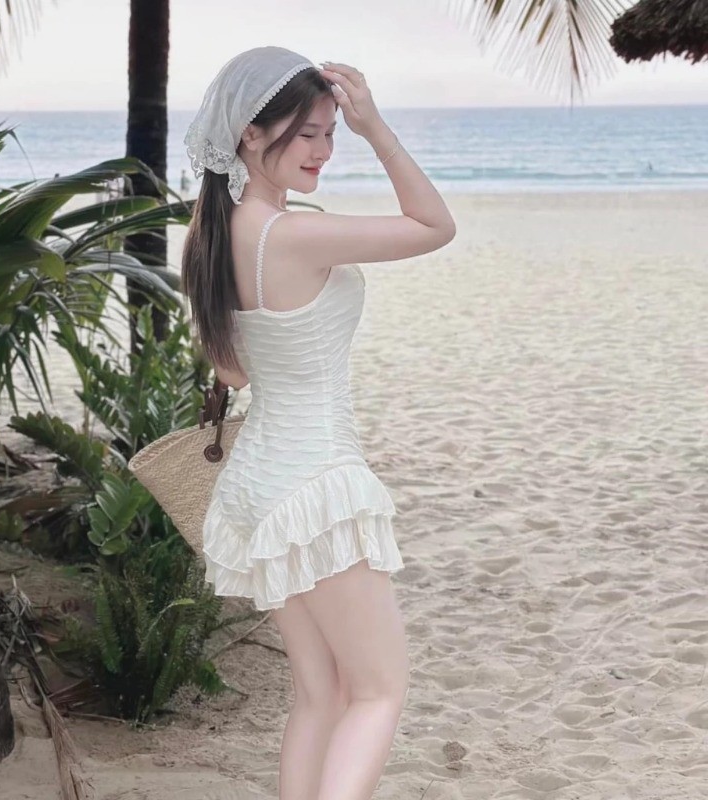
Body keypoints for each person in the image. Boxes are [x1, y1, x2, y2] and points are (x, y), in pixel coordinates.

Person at [180, 46, 456, 800]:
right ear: (249, 133)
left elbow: (234, 372)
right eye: (308, 133)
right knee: (378, 691)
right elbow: (435, 225)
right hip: (314, 482)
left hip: (258, 486)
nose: (325, 150)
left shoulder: (211, 236)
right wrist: (378, 131)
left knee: (320, 694)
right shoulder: (292, 234)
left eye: (333, 132)